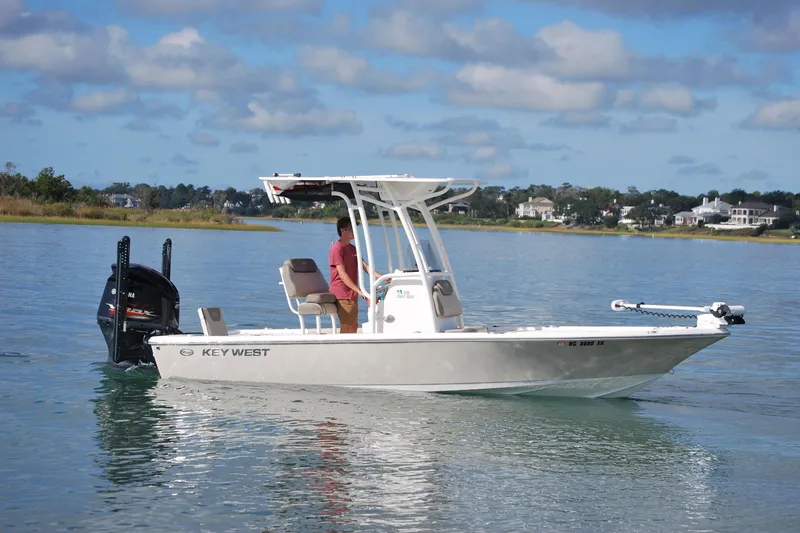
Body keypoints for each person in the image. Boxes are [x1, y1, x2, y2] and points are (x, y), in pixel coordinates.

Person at [329, 216, 382, 333]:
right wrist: (362, 293)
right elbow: (342, 275)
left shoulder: (353, 249)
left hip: (352, 294)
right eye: (352, 229)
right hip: (342, 293)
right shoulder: (337, 248)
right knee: (347, 326)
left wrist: (384, 278)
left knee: (353, 326)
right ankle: (342, 350)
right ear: (343, 231)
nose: (355, 232)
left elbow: (366, 267)